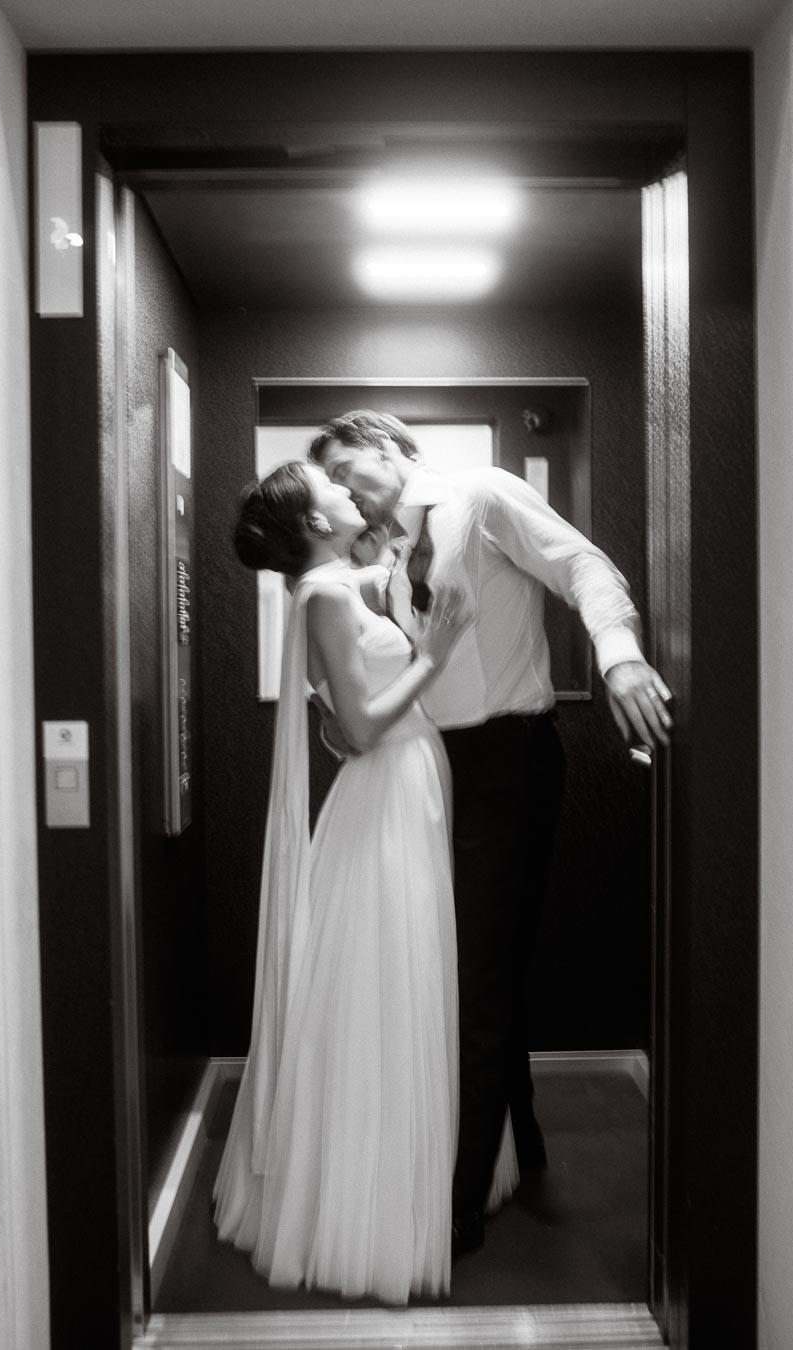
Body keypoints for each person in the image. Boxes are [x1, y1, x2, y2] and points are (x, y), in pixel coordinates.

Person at [308, 410, 672, 1260]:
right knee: (471, 962)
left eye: (353, 460)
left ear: (395, 446)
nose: (349, 482)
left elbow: (583, 563)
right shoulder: (386, 558)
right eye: (333, 476)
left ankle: (461, 1201)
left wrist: (618, 655)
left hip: (510, 762)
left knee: (476, 972)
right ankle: (526, 1144)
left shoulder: (480, 493)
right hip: (436, 771)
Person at [212, 460, 511, 1304]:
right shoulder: (324, 596)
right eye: (331, 487)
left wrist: (392, 586)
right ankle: (374, 1204)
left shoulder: (346, 584)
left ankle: (411, 1175)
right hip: (387, 791)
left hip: (409, 788)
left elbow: (349, 706)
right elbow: (364, 727)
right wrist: (439, 651)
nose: (349, 490)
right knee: (385, 985)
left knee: (399, 981)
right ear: (313, 522)